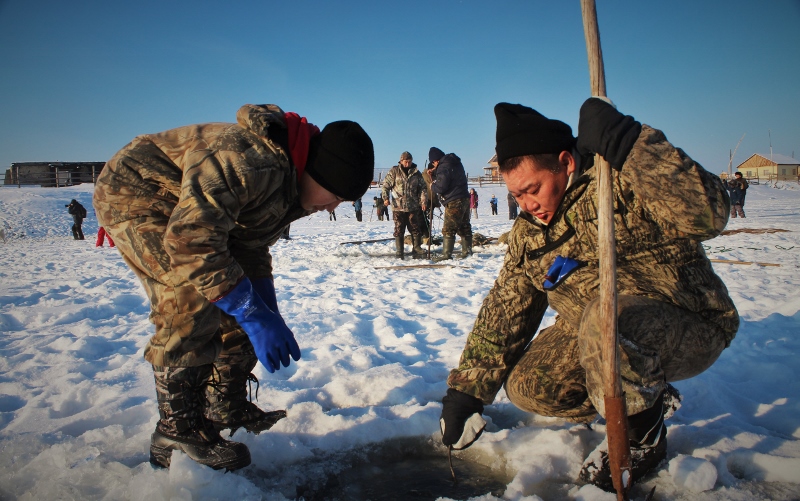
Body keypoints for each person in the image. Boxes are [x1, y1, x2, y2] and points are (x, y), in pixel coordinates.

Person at [439, 99, 738, 491]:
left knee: (605, 318)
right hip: (600, 333)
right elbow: (506, 308)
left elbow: (709, 212)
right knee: (529, 386)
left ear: (565, 162)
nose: (527, 206)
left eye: (533, 190)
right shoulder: (530, 233)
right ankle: (645, 396)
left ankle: (641, 438)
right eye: (517, 196)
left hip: (688, 321)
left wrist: (632, 145)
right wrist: (466, 391)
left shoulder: (617, 183)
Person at [93, 104, 374, 472]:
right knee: (191, 292)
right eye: (335, 194)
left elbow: (249, 244)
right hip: (138, 191)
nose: (333, 206)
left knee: (241, 296)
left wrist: (265, 308)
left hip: (191, 214)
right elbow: (191, 241)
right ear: (317, 171)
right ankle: (177, 430)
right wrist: (251, 312)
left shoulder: (295, 183)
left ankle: (222, 405)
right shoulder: (249, 162)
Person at [381, 151, 428, 258]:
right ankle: (399, 251)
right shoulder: (394, 171)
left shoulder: (416, 173)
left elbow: (423, 189)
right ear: (401, 161)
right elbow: (385, 186)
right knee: (399, 228)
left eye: (409, 161)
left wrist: (423, 201)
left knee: (415, 228)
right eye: (406, 162)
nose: (407, 164)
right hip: (398, 207)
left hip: (413, 206)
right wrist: (385, 198)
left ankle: (416, 248)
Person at [428, 147, 472, 259]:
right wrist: (435, 173)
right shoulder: (455, 162)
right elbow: (450, 178)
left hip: (454, 200)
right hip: (464, 197)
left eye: (433, 163)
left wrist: (432, 186)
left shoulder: (443, 167)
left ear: (435, 160)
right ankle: (467, 252)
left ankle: (446, 255)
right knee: (464, 225)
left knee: (449, 228)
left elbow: (441, 187)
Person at [421, 163, 441, 242]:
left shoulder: (434, 176)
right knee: (424, 219)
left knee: (428, 218)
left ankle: (427, 235)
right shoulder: (425, 176)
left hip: (431, 200)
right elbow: (430, 191)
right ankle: (425, 235)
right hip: (426, 200)